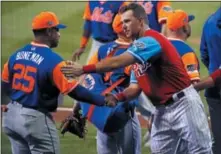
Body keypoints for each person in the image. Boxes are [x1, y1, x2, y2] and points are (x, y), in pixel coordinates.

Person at [61, 3, 213, 154]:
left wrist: (83, 69)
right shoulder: (137, 52)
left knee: (200, 151)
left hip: (183, 105)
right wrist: (117, 97)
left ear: (140, 21)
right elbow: (134, 89)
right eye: (122, 22)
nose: (123, 25)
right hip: (161, 110)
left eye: (127, 21)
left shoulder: (151, 40)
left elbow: (118, 61)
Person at [1, 11, 106, 154]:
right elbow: (75, 91)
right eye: (57, 30)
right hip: (34, 121)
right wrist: (103, 100)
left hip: (11, 119)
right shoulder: (54, 61)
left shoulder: (15, 55)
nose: (59, 34)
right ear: (49, 31)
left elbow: (4, 84)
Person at [200, 7, 221, 154]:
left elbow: (204, 54)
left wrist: (214, 73)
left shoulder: (210, 21)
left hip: (214, 90)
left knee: (218, 141)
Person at [165, 10, 200, 83]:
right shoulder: (186, 52)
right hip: (180, 92)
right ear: (185, 28)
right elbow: (194, 82)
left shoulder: (158, 45)